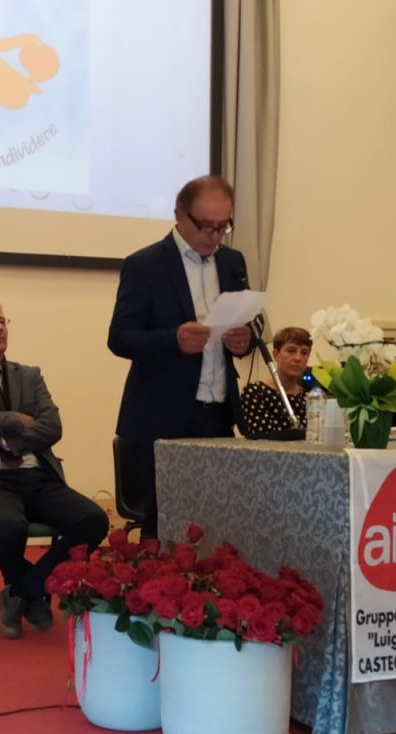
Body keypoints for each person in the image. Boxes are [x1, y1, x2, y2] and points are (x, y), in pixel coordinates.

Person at [0, 298, 108, 639]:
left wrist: (0, 439)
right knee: (6, 526)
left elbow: (52, 427)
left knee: (93, 520)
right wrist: (16, 419)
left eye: (3, 320)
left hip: (36, 475)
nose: (0, 327)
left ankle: (23, 590)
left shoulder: (30, 375)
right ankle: (27, 590)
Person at [108, 174, 257, 539]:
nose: (214, 236)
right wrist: (172, 339)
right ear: (179, 214)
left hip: (218, 413)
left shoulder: (232, 261)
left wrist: (246, 340)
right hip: (161, 416)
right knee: (163, 526)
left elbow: (251, 326)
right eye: (206, 225)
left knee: (218, 525)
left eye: (223, 226)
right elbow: (119, 338)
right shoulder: (144, 265)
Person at [241, 326, 311, 433]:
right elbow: (262, 437)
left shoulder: (309, 398)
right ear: (276, 355)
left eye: (304, 352)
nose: (298, 358)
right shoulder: (255, 392)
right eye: (291, 351)